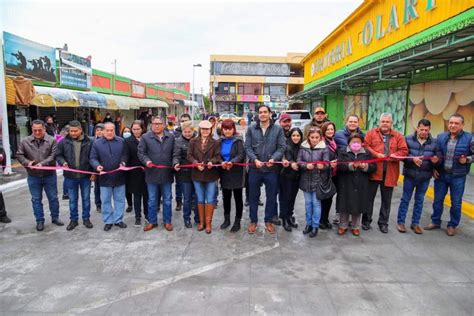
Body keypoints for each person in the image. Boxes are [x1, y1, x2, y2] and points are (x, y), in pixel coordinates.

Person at [426, 114, 473, 236]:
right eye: (451, 122)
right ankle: (435, 221)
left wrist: (467, 159)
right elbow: (436, 154)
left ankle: (452, 225)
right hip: (441, 175)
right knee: (437, 200)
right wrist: (434, 167)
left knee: (456, 202)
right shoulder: (441, 137)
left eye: (456, 123)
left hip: (458, 176)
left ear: (462, 125)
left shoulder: (469, 138)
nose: (452, 125)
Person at [363, 113, 408, 233]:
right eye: (383, 121)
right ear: (379, 122)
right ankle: (366, 221)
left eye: (387, 122)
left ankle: (383, 223)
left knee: (386, 200)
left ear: (391, 123)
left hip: (390, 173)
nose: (385, 124)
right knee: (368, 198)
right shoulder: (371, 133)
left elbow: (404, 151)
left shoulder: (398, 136)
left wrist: (395, 155)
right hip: (373, 171)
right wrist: (376, 154)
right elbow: (365, 145)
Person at [245, 105, 286, 234]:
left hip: (271, 169)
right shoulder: (251, 128)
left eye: (265, 112)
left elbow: (281, 147)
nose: (262, 114)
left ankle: (268, 221)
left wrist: (274, 158)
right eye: (260, 112)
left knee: (271, 196)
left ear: (270, 114)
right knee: (253, 196)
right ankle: (253, 221)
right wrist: (254, 159)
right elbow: (247, 147)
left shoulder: (278, 129)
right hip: (255, 168)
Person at [16, 119, 63, 231]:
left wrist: (43, 163)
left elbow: (53, 156)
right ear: (31, 129)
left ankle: (55, 217)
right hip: (33, 176)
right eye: (34, 130)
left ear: (44, 129)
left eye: (39, 130)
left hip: (49, 175)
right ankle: (39, 220)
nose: (37, 132)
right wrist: (28, 163)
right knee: (36, 199)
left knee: (53, 198)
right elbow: (19, 155)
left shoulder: (52, 140)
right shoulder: (25, 141)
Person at [395, 119, 439, 234]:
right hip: (410, 175)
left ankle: (415, 224)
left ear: (429, 130)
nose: (423, 132)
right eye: (421, 129)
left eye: (426, 130)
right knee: (405, 199)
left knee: (419, 200)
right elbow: (402, 155)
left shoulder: (434, 143)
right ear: (417, 128)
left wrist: (435, 161)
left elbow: (437, 159)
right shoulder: (408, 139)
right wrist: (412, 159)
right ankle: (401, 222)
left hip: (425, 177)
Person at [138, 116, 175, 232]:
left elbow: (175, 153)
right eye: (154, 124)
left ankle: (167, 221)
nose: (156, 125)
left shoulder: (171, 137)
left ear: (163, 125)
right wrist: (146, 161)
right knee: (152, 200)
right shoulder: (145, 137)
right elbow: (141, 152)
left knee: (167, 200)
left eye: (159, 123)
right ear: (151, 125)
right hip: (151, 174)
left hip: (167, 173)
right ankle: (152, 221)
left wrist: (175, 163)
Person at [56, 120, 94, 231]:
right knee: (72, 199)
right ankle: (73, 220)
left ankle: (86, 219)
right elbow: (58, 155)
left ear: (80, 130)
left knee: (86, 199)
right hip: (70, 176)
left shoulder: (89, 142)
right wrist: (63, 162)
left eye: (75, 131)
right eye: (71, 131)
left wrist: (93, 172)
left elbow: (93, 157)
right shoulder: (63, 142)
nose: (73, 133)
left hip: (85, 177)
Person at [89, 122, 128, 231]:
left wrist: (123, 162)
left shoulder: (121, 141)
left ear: (114, 131)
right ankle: (108, 221)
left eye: (112, 130)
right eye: (108, 130)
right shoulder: (97, 143)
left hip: (119, 176)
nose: (110, 132)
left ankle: (118, 220)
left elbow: (125, 155)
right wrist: (97, 166)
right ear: (103, 131)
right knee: (105, 200)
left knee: (119, 200)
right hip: (104, 177)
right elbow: (92, 158)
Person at [336, 133, 376, 236]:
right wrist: (351, 165)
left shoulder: (367, 153)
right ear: (349, 143)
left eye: (358, 142)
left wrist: (365, 166)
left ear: (362, 143)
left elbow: (373, 166)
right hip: (346, 183)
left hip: (361, 184)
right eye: (354, 142)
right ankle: (343, 226)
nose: (356, 144)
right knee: (344, 206)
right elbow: (340, 166)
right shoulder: (343, 152)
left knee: (358, 206)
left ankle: (355, 226)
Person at [187, 120, 221, 234]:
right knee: (200, 198)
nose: (205, 131)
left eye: (207, 129)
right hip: (197, 174)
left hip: (211, 174)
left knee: (210, 199)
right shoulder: (193, 141)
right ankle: (202, 222)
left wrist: (212, 161)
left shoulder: (215, 142)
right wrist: (196, 163)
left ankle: (209, 223)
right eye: (203, 129)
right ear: (199, 130)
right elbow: (189, 155)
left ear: (210, 130)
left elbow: (217, 156)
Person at [297, 128, 329, 238]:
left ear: (320, 138)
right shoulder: (303, 147)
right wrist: (306, 165)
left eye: (317, 137)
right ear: (308, 137)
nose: (314, 140)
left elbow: (327, 163)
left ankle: (315, 226)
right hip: (306, 180)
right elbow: (299, 161)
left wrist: (323, 166)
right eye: (312, 137)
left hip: (318, 181)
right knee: (308, 204)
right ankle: (308, 224)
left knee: (316, 204)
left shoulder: (324, 148)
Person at [218, 119, 246, 232]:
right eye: (225, 129)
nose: (228, 131)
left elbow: (241, 154)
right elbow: (216, 155)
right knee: (226, 197)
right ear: (222, 130)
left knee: (238, 198)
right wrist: (221, 162)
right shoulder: (219, 141)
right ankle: (227, 219)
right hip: (224, 172)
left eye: (230, 129)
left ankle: (237, 221)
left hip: (236, 172)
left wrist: (232, 162)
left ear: (233, 129)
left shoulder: (238, 140)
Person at [173, 121, 198, 228]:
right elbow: (176, 155)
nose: (187, 133)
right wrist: (176, 163)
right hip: (184, 174)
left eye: (189, 131)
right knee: (187, 198)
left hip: (198, 172)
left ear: (193, 131)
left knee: (198, 197)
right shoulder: (178, 141)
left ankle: (198, 217)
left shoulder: (197, 140)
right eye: (185, 131)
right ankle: (186, 219)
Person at [123, 120, 149, 227]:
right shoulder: (128, 141)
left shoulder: (147, 139)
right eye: (134, 129)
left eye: (138, 129)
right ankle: (137, 217)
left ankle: (147, 215)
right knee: (136, 196)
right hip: (134, 172)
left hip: (147, 171)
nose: (136, 131)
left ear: (142, 129)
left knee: (147, 195)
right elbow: (125, 154)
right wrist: (123, 162)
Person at [279, 127, 303, 232]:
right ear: (290, 136)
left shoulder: (302, 147)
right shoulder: (286, 146)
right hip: (286, 177)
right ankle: (284, 219)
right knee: (285, 198)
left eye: (298, 135)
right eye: (294, 135)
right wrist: (291, 163)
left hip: (297, 177)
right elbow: (287, 158)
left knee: (292, 198)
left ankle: (289, 217)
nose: (296, 137)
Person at [320, 122, 338, 229]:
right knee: (324, 198)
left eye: (332, 129)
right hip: (324, 175)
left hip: (333, 174)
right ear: (323, 131)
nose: (330, 131)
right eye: (328, 130)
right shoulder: (322, 143)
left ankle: (325, 219)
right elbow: (318, 159)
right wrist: (329, 164)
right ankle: (322, 220)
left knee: (329, 198)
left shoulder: (333, 142)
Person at [173, 113, 192, 211]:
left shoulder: (195, 136)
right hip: (181, 169)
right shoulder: (176, 134)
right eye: (182, 121)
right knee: (179, 186)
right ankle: (179, 202)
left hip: (193, 169)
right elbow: (175, 154)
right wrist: (176, 163)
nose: (184, 122)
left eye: (186, 120)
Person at [93, 123, 104, 213]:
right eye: (97, 130)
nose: (99, 132)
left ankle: (105, 203)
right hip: (95, 169)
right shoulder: (92, 141)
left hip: (106, 169)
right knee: (97, 187)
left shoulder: (107, 140)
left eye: (101, 130)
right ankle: (98, 204)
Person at [122, 127, 133, 213]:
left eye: (128, 131)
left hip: (134, 167)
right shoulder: (120, 142)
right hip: (124, 168)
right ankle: (129, 204)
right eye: (125, 131)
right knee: (127, 188)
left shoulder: (133, 141)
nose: (127, 133)